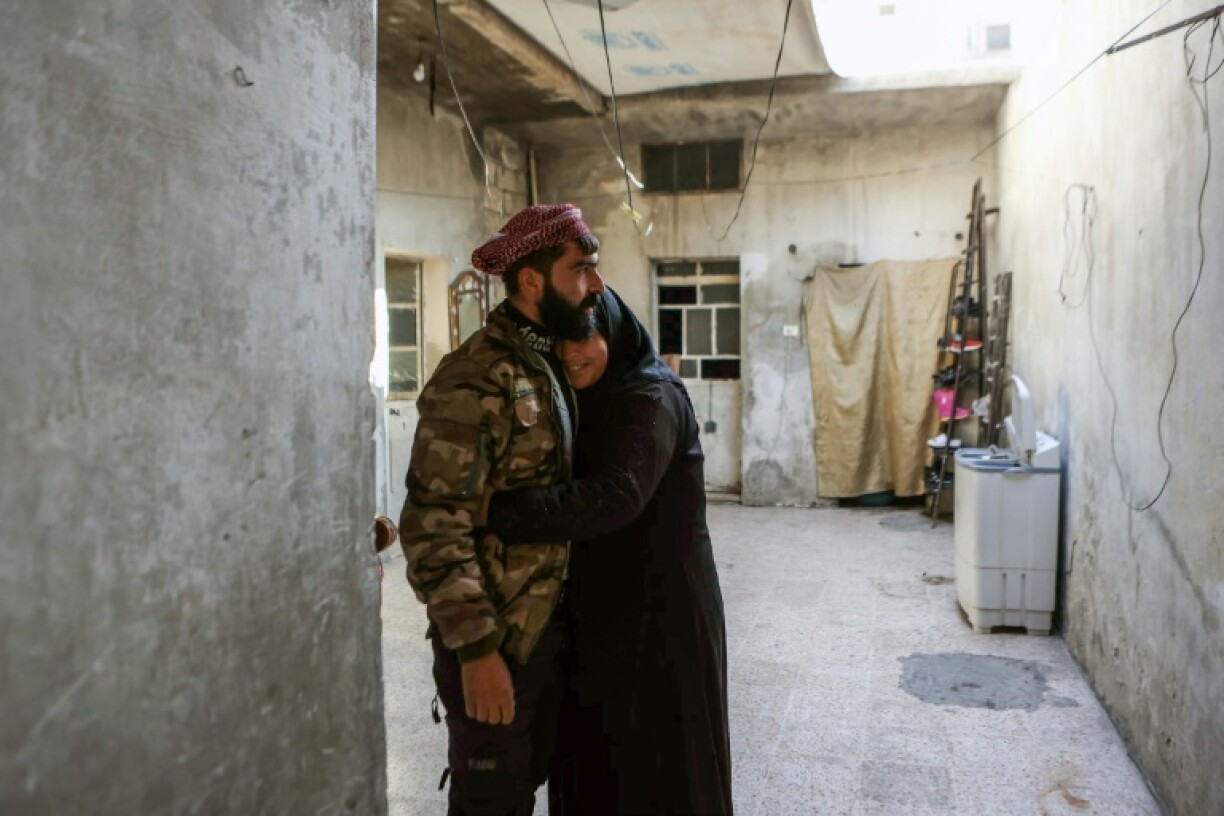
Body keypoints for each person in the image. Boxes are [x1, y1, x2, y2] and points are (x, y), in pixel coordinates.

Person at [486, 287, 734, 815]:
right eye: (559, 342)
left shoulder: (651, 396)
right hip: (606, 607)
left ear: (614, 332)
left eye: (584, 338)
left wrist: (500, 511)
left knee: (660, 759)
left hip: (663, 613)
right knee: (604, 753)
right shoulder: (585, 397)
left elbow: (616, 496)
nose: (570, 354)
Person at [398, 204, 604, 816]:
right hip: (498, 644)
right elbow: (433, 525)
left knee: (531, 786)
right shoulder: (476, 376)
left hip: (546, 635)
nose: (595, 284)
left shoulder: (546, 363)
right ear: (533, 281)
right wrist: (477, 651)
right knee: (491, 802)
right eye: (581, 269)